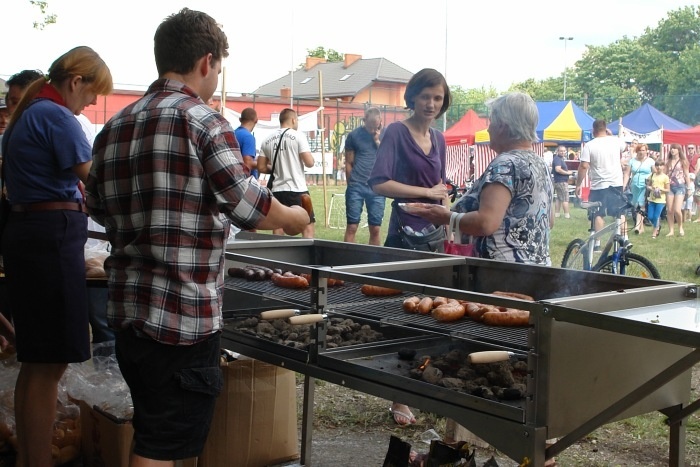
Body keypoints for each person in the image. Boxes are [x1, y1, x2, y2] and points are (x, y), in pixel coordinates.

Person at [85, 9, 309, 466]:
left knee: (152, 431)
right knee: (163, 445)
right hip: (181, 319)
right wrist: (290, 215)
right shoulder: (204, 121)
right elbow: (249, 207)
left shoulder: (114, 128)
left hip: (128, 313)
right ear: (207, 62)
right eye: (219, 68)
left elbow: (95, 207)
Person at [2, 45, 113, 467]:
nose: (90, 104)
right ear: (75, 82)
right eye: (91, 94)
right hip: (49, 237)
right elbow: (94, 179)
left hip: (33, 234)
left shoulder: (31, 112)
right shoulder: (54, 115)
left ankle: (32, 459)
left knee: (38, 362)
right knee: (49, 362)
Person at [368, 68, 451, 425]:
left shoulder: (441, 138)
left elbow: (440, 186)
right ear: (412, 97)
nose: (431, 104)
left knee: (432, 312)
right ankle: (399, 398)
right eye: (426, 96)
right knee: (402, 313)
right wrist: (425, 193)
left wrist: (446, 212)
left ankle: (423, 383)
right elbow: (379, 183)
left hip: (434, 236)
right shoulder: (397, 133)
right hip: (403, 235)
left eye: (438, 97)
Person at [409, 91, 553, 265]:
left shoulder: (505, 165)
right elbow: (549, 220)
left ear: (503, 126)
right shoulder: (539, 163)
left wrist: (447, 217)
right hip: (537, 268)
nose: (488, 128)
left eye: (491, 122)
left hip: (501, 271)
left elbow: (486, 223)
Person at [258, 108, 315, 238]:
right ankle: (307, 254)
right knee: (307, 225)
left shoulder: (267, 139)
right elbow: (309, 162)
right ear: (293, 119)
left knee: (278, 225)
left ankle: (278, 254)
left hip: (276, 190)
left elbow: (261, 167)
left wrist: (276, 168)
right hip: (297, 188)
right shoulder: (298, 136)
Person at [575, 119, 628, 250]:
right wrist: (611, 136)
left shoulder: (590, 145)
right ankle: (625, 239)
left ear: (593, 131)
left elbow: (583, 166)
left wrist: (578, 184)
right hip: (616, 183)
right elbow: (626, 147)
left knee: (598, 214)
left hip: (599, 185)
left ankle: (597, 243)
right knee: (619, 213)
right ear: (606, 129)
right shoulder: (616, 141)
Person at [343, 107, 385, 245]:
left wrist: (377, 140)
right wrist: (351, 184)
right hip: (357, 185)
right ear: (364, 121)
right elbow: (349, 162)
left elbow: (387, 158)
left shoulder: (384, 135)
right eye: (370, 126)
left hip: (377, 188)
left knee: (375, 228)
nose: (373, 129)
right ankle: (348, 261)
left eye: (376, 126)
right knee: (352, 226)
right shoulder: (354, 136)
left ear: (380, 122)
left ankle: (373, 263)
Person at [625, 143, 654, 235]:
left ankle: (637, 226)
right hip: (634, 185)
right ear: (637, 151)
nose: (642, 152)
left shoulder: (650, 161)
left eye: (643, 150)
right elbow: (627, 173)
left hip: (645, 185)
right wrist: (624, 185)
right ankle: (641, 228)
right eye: (640, 150)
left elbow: (655, 173)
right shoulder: (632, 161)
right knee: (635, 204)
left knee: (641, 204)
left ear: (646, 151)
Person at [664, 143, 690, 237]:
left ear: (678, 150)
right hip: (669, 187)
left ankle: (680, 227)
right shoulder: (668, 162)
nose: (672, 150)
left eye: (674, 148)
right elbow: (665, 174)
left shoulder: (683, 161)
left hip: (680, 186)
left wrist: (689, 187)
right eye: (671, 148)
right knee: (669, 210)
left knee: (677, 210)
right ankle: (671, 230)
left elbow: (686, 175)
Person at [646, 160, 669, 238]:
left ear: (663, 167)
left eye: (660, 165)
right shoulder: (652, 175)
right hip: (652, 199)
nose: (658, 167)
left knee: (656, 216)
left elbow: (667, 189)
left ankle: (655, 231)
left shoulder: (665, 177)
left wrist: (661, 189)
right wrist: (652, 188)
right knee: (650, 217)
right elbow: (648, 186)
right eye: (657, 165)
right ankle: (657, 226)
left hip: (661, 200)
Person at [234, 107, 259, 178]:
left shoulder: (233, 133)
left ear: (240, 119)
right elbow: (248, 163)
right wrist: (265, 165)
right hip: (245, 181)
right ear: (256, 120)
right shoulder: (248, 137)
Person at [552, 145, 572, 219]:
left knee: (559, 198)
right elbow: (558, 169)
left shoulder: (559, 159)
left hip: (558, 181)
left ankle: (557, 214)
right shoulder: (557, 159)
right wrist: (568, 173)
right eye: (561, 151)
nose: (563, 152)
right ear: (558, 151)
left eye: (564, 151)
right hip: (561, 181)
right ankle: (567, 215)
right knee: (565, 198)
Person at [684, 144, 698, 221]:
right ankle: (690, 211)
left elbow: (697, 167)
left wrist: (694, 176)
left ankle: (694, 210)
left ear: (694, 149)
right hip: (688, 176)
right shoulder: (686, 157)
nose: (690, 150)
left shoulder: (697, 157)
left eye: (692, 148)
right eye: (689, 148)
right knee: (690, 195)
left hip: (695, 176)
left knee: (696, 195)